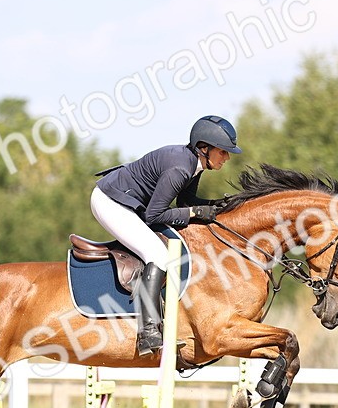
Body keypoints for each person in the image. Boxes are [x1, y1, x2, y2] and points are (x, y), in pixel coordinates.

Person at [90, 115, 243, 355]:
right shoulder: (180, 168)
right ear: (204, 147)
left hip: (127, 202)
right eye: (223, 151)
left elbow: (186, 202)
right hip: (111, 202)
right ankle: (148, 331)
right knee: (158, 254)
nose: (227, 157)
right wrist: (194, 212)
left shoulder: (194, 164)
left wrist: (221, 206)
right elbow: (154, 215)